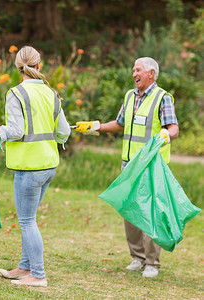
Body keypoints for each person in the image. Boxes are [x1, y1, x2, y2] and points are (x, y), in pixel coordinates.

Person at [74, 57, 179, 278]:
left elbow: (174, 128)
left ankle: (152, 263)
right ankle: (138, 258)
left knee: (150, 213)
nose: (134, 74)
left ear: (151, 73)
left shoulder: (163, 98)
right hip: (128, 165)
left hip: (151, 166)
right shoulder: (130, 96)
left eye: (138, 70)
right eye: (133, 70)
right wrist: (96, 127)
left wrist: (166, 135)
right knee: (130, 212)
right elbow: (120, 124)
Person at [0, 46, 71, 287]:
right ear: (39, 65)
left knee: (26, 221)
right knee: (30, 219)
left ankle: (38, 274)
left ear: (17, 67)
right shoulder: (50, 93)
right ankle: (25, 268)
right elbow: (64, 131)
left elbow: (16, 132)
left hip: (29, 167)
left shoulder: (16, 93)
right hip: (48, 165)